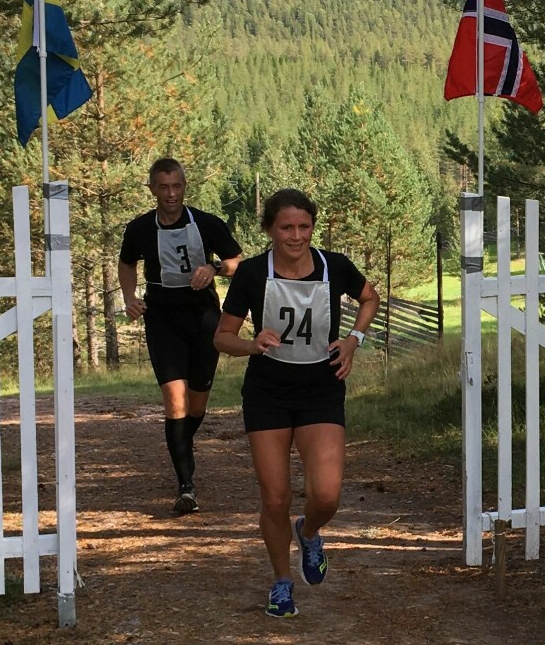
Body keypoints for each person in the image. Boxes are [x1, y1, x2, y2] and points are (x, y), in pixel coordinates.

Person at [213, 188, 380, 618]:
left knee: (326, 495)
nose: (296, 235)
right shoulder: (251, 273)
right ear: (269, 229)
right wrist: (253, 344)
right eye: (286, 227)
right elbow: (222, 338)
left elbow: (370, 297)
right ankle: (282, 582)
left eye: (304, 226)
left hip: (320, 389)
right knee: (275, 496)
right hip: (268, 392)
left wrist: (353, 340)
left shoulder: (334, 266)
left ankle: (309, 532)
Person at [118, 157, 242, 515]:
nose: (171, 194)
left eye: (177, 186)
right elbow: (127, 263)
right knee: (175, 401)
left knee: (197, 404)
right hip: (162, 318)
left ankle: (182, 445)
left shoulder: (206, 223)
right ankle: (186, 485)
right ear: (153, 189)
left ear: (185, 187)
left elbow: (237, 261)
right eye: (164, 187)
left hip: (203, 317)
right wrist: (130, 297)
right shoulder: (140, 228)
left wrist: (215, 267)